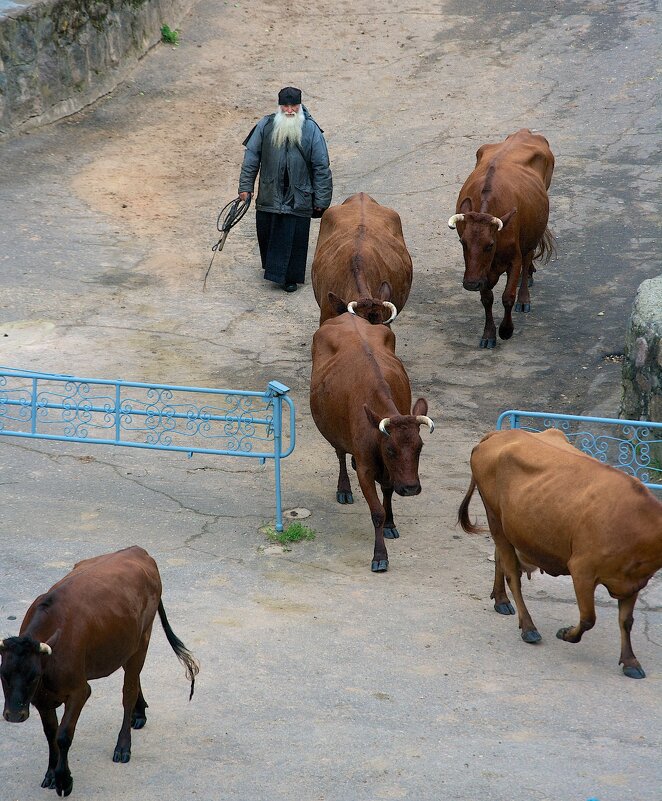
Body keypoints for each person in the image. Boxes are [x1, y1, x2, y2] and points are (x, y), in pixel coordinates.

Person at [238, 86, 333, 292]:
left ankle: (290, 278)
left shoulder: (311, 129)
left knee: (294, 237)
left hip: (299, 196)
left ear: (299, 106)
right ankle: (273, 271)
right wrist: (246, 186)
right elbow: (251, 157)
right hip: (270, 193)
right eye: (286, 106)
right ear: (279, 106)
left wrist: (321, 200)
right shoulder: (265, 125)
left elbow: (321, 166)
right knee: (269, 232)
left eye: (293, 106)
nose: (289, 110)